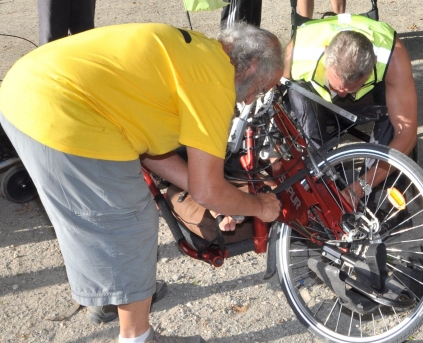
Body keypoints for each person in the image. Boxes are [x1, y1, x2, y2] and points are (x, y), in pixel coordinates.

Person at [0, 22, 282, 343]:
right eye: (260, 88)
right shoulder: (214, 80)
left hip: (24, 90)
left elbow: (152, 153)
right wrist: (260, 206)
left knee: (89, 215)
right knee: (129, 219)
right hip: (60, 109)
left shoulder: (196, 54)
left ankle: (114, 297)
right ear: (254, 65)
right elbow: (207, 189)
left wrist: (213, 196)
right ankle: (137, 336)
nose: (250, 101)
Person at [283, 13, 417, 200]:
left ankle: (370, 195)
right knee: (297, 93)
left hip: (365, 101)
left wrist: (361, 186)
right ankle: (327, 188)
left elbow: (407, 132)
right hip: (317, 104)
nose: (343, 94)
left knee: (396, 116)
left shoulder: (391, 54)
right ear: (326, 51)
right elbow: (263, 103)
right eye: (337, 85)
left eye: (351, 87)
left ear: (373, 63)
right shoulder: (296, 54)